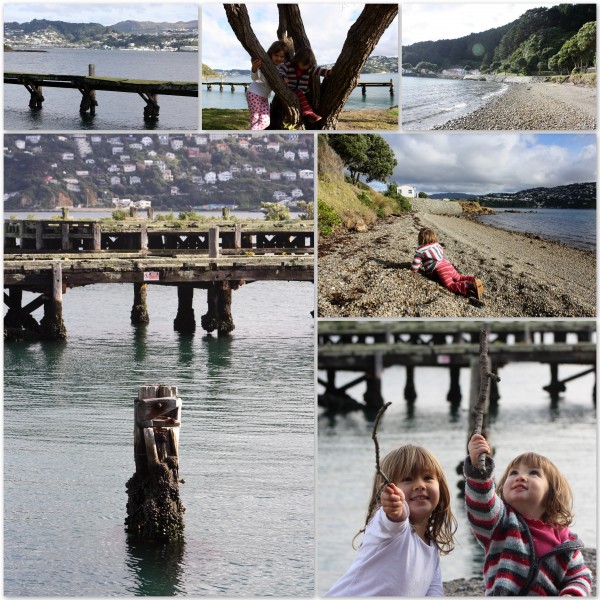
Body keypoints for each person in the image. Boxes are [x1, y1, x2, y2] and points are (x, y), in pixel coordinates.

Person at [465, 434, 592, 596]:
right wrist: (477, 468)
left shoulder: (565, 541)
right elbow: (481, 503)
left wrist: (571, 594)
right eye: (513, 473)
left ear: (551, 493)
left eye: (533, 473)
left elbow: (580, 576)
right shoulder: (499, 522)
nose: (521, 477)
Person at [327, 444, 456, 596]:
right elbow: (394, 520)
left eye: (427, 478)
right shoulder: (389, 528)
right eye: (407, 479)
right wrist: (395, 510)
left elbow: (434, 591)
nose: (420, 485)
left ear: (440, 486)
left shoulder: (432, 548)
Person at [411, 227, 484, 299]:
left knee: (450, 285)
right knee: (459, 277)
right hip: (447, 264)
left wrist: (414, 270)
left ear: (420, 239)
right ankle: (474, 279)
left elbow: (416, 262)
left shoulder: (421, 250)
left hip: (440, 269)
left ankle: (468, 285)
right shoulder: (437, 246)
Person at [278, 46, 332, 123]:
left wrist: (329, 73)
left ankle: (307, 116)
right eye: (303, 64)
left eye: (307, 65)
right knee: (300, 95)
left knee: (303, 98)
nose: (305, 67)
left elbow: (320, 71)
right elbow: (281, 69)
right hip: (290, 89)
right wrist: (284, 77)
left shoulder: (309, 68)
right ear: (297, 60)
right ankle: (310, 114)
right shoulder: (289, 65)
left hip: (301, 91)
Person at [246, 41, 289, 130]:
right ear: (271, 54)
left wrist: (285, 78)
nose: (278, 58)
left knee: (265, 122)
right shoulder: (265, 64)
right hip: (254, 93)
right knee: (255, 118)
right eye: (276, 55)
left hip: (264, 97)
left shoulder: (282, 67)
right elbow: (254, 78)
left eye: (281, 56)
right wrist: (254, 68)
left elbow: (283, 77)